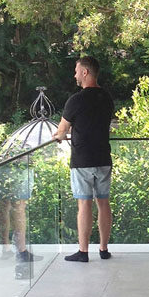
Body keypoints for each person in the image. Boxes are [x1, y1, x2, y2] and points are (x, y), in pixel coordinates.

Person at [53, 56, 114, 262]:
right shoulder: (106, 97)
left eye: (77, 70)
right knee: (103, 203)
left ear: (85, 72)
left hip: (82, 160)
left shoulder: (76, 100)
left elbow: (61, 131)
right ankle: (104, 249)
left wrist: (58, 136)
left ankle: (83, 252)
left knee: (84, 205)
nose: (75, 74)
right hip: (104, 157)